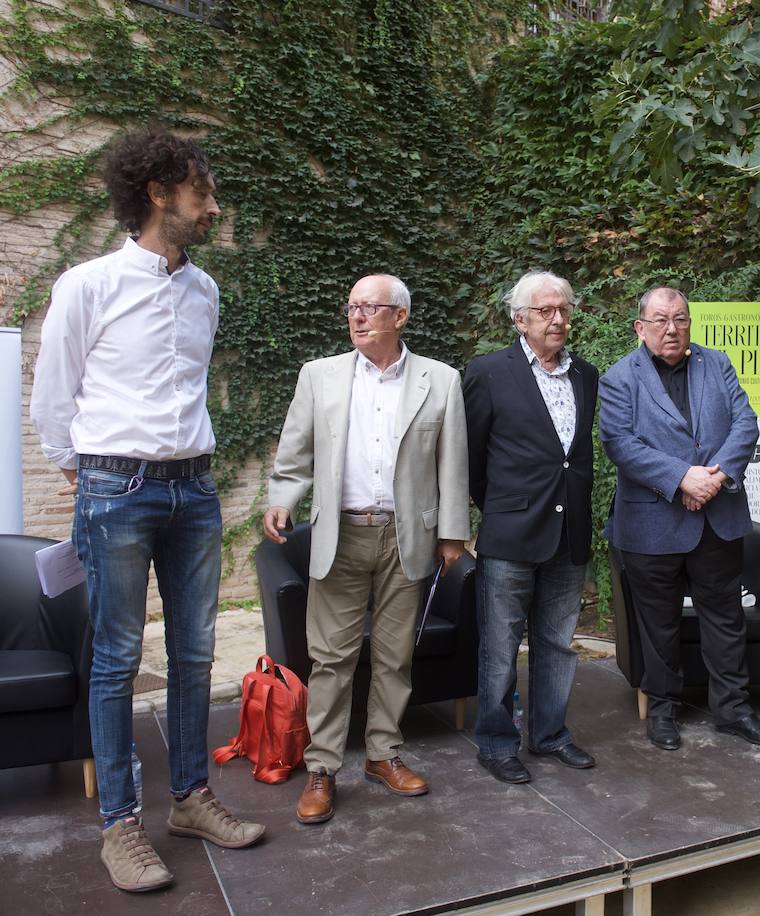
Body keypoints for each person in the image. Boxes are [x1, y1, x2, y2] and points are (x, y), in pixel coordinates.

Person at [32, 128, 264, 894]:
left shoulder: (206, 291)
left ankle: (192, 799)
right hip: (117, 490)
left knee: (196, 654)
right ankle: (120, 825)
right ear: (158, 193)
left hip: (194, 489)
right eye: (202, 193)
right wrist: (88, 472)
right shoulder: (88, 284)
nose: (213, 207)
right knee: (116, 659)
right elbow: (53, 400)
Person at [263, 273, 469, 825]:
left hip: (409, 535)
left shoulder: (440, 380)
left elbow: (452, 461)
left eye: (369, 308)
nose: (356, 317)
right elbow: (295, 447)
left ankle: (382, 754)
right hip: (341, 534)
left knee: (395, 655)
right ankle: (323, 767)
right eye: (351, 306)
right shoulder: (320, 376)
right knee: (330, 658)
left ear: (399, 316)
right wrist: (283, 496)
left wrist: (452, 533)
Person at [599, 286, 760, 752]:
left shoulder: (716, 363)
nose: (671, 328)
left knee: (724, 618)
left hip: (716, 517)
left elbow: (746, 423)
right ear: (640, 327)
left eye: (680, 318)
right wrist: (683, 477)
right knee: (658, 625)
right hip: (650, 525)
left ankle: (734, 711)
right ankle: (663, 711)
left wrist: (714, 479)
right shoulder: (620, 378)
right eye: (660, 320)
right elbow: (620, 444)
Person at [463, 271, 599, 784]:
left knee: (558, 642)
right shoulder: (488, 372)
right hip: (512, 532)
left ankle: (550, 735)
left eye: (563, 309)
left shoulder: (587, 375)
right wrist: (499, 507)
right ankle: (497, 744)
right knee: (500, 646)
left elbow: (574, 457)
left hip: (570, 533)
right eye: (545, 311)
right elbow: (471, 459)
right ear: (519, 319)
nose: (558, 319)